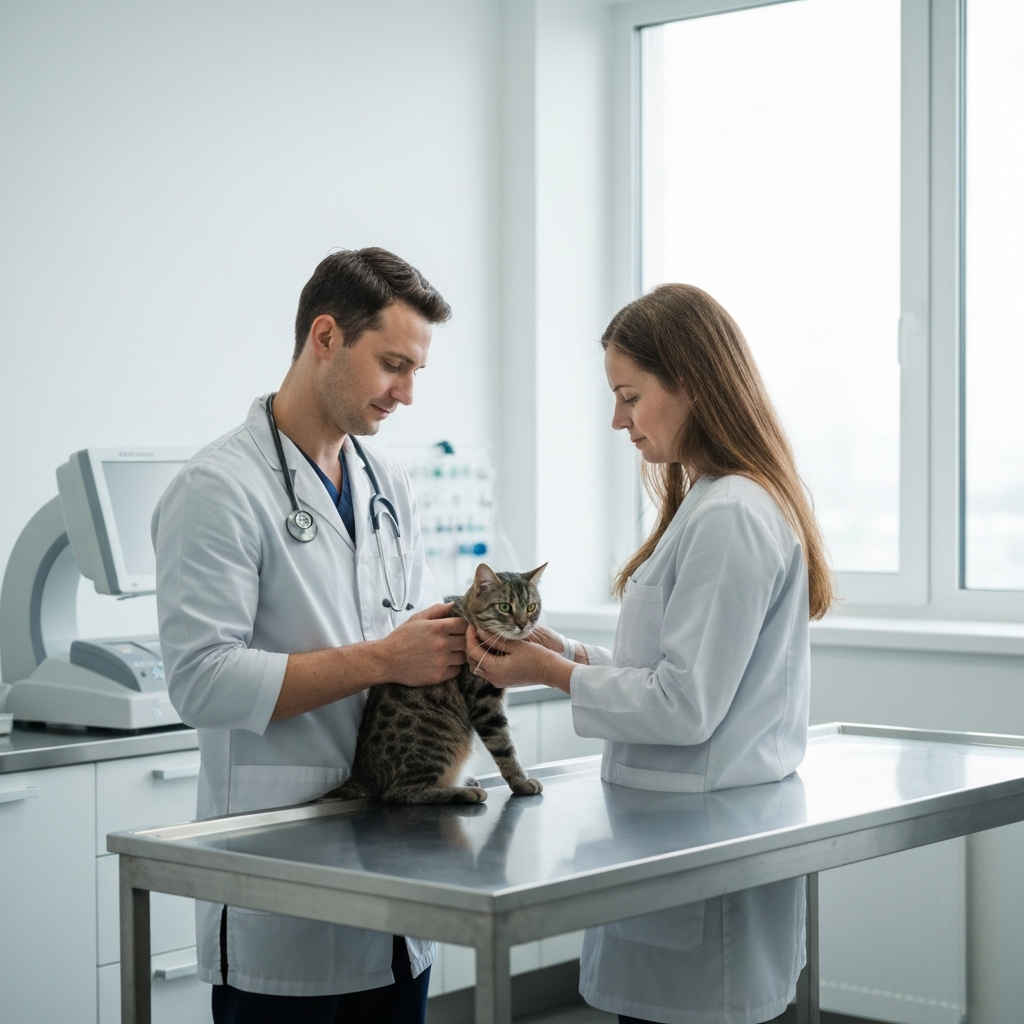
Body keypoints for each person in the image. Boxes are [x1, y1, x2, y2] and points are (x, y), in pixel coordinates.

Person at [465, 283, 834, 1024]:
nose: (616, 419)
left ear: (690, 383)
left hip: (703, 861)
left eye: (630, 396)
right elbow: (671, 667)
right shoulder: (708, 500)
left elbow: (685, 704)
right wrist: (563, 650)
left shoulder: (731, 512)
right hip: (676, 841)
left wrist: (550, 673)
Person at [153, 248, 470, 1024]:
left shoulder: (386, 482)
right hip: (280, 882)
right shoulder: (218, 490)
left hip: (397, 874)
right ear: (325, 336)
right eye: (393, 364)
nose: (407, 392)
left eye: (417, 370)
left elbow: (408, 631)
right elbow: (201, 680)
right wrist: (382, 660)